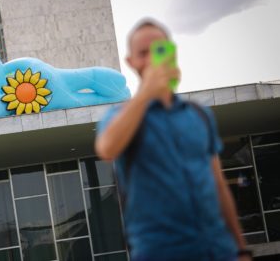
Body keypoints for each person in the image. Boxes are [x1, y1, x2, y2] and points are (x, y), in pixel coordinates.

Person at [95, 19, 251, 261]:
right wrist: (146, 92)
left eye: (158, 49)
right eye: (143, 53)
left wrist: (241, 249)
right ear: (131, 62)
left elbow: (218, 185)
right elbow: (106, 149)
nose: (150, 60)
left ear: (171, 52)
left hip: (219, 250)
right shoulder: (119, 118)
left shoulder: (199, 115)